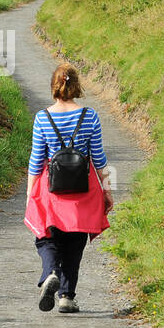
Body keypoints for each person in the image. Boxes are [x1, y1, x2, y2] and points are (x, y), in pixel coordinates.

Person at [23, 63, 113, 313]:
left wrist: (31, 194)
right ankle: (66, 296)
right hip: (83, 190)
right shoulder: (90, 116)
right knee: (75, 242)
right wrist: (107, 191)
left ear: (54, 87)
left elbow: (36, 159)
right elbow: (99, 158)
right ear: (76, 87)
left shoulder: (43, 118)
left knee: (46, 236)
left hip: (51, 190)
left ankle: (50, 271)